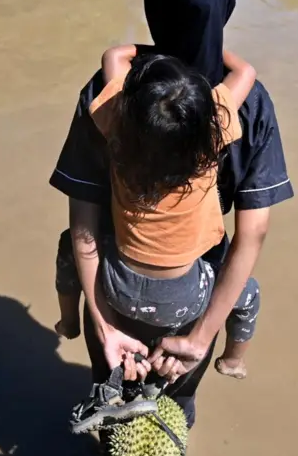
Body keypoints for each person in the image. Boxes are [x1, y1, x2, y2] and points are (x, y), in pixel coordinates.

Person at [49, 0, 294, 428]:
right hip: (197, 298)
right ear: (225, 4)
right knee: (176, 409)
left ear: (153, 1)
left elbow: (83, 220)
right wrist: (204, 336)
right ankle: (230, 363)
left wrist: (102, 320)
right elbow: (253, 233)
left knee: (111, 400)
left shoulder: (113, 97)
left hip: (111, 286)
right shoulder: (239, 106)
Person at [55, 43, 259, 380]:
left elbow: (114, 57)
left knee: (69, 246)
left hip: (115, 286)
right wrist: (201, 43)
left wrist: (154, 47)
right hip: (185, 298)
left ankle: (69, 322)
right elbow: (246, 72)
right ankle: (233, 360)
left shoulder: (118, 129)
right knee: (247, 292)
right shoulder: (208, 142)